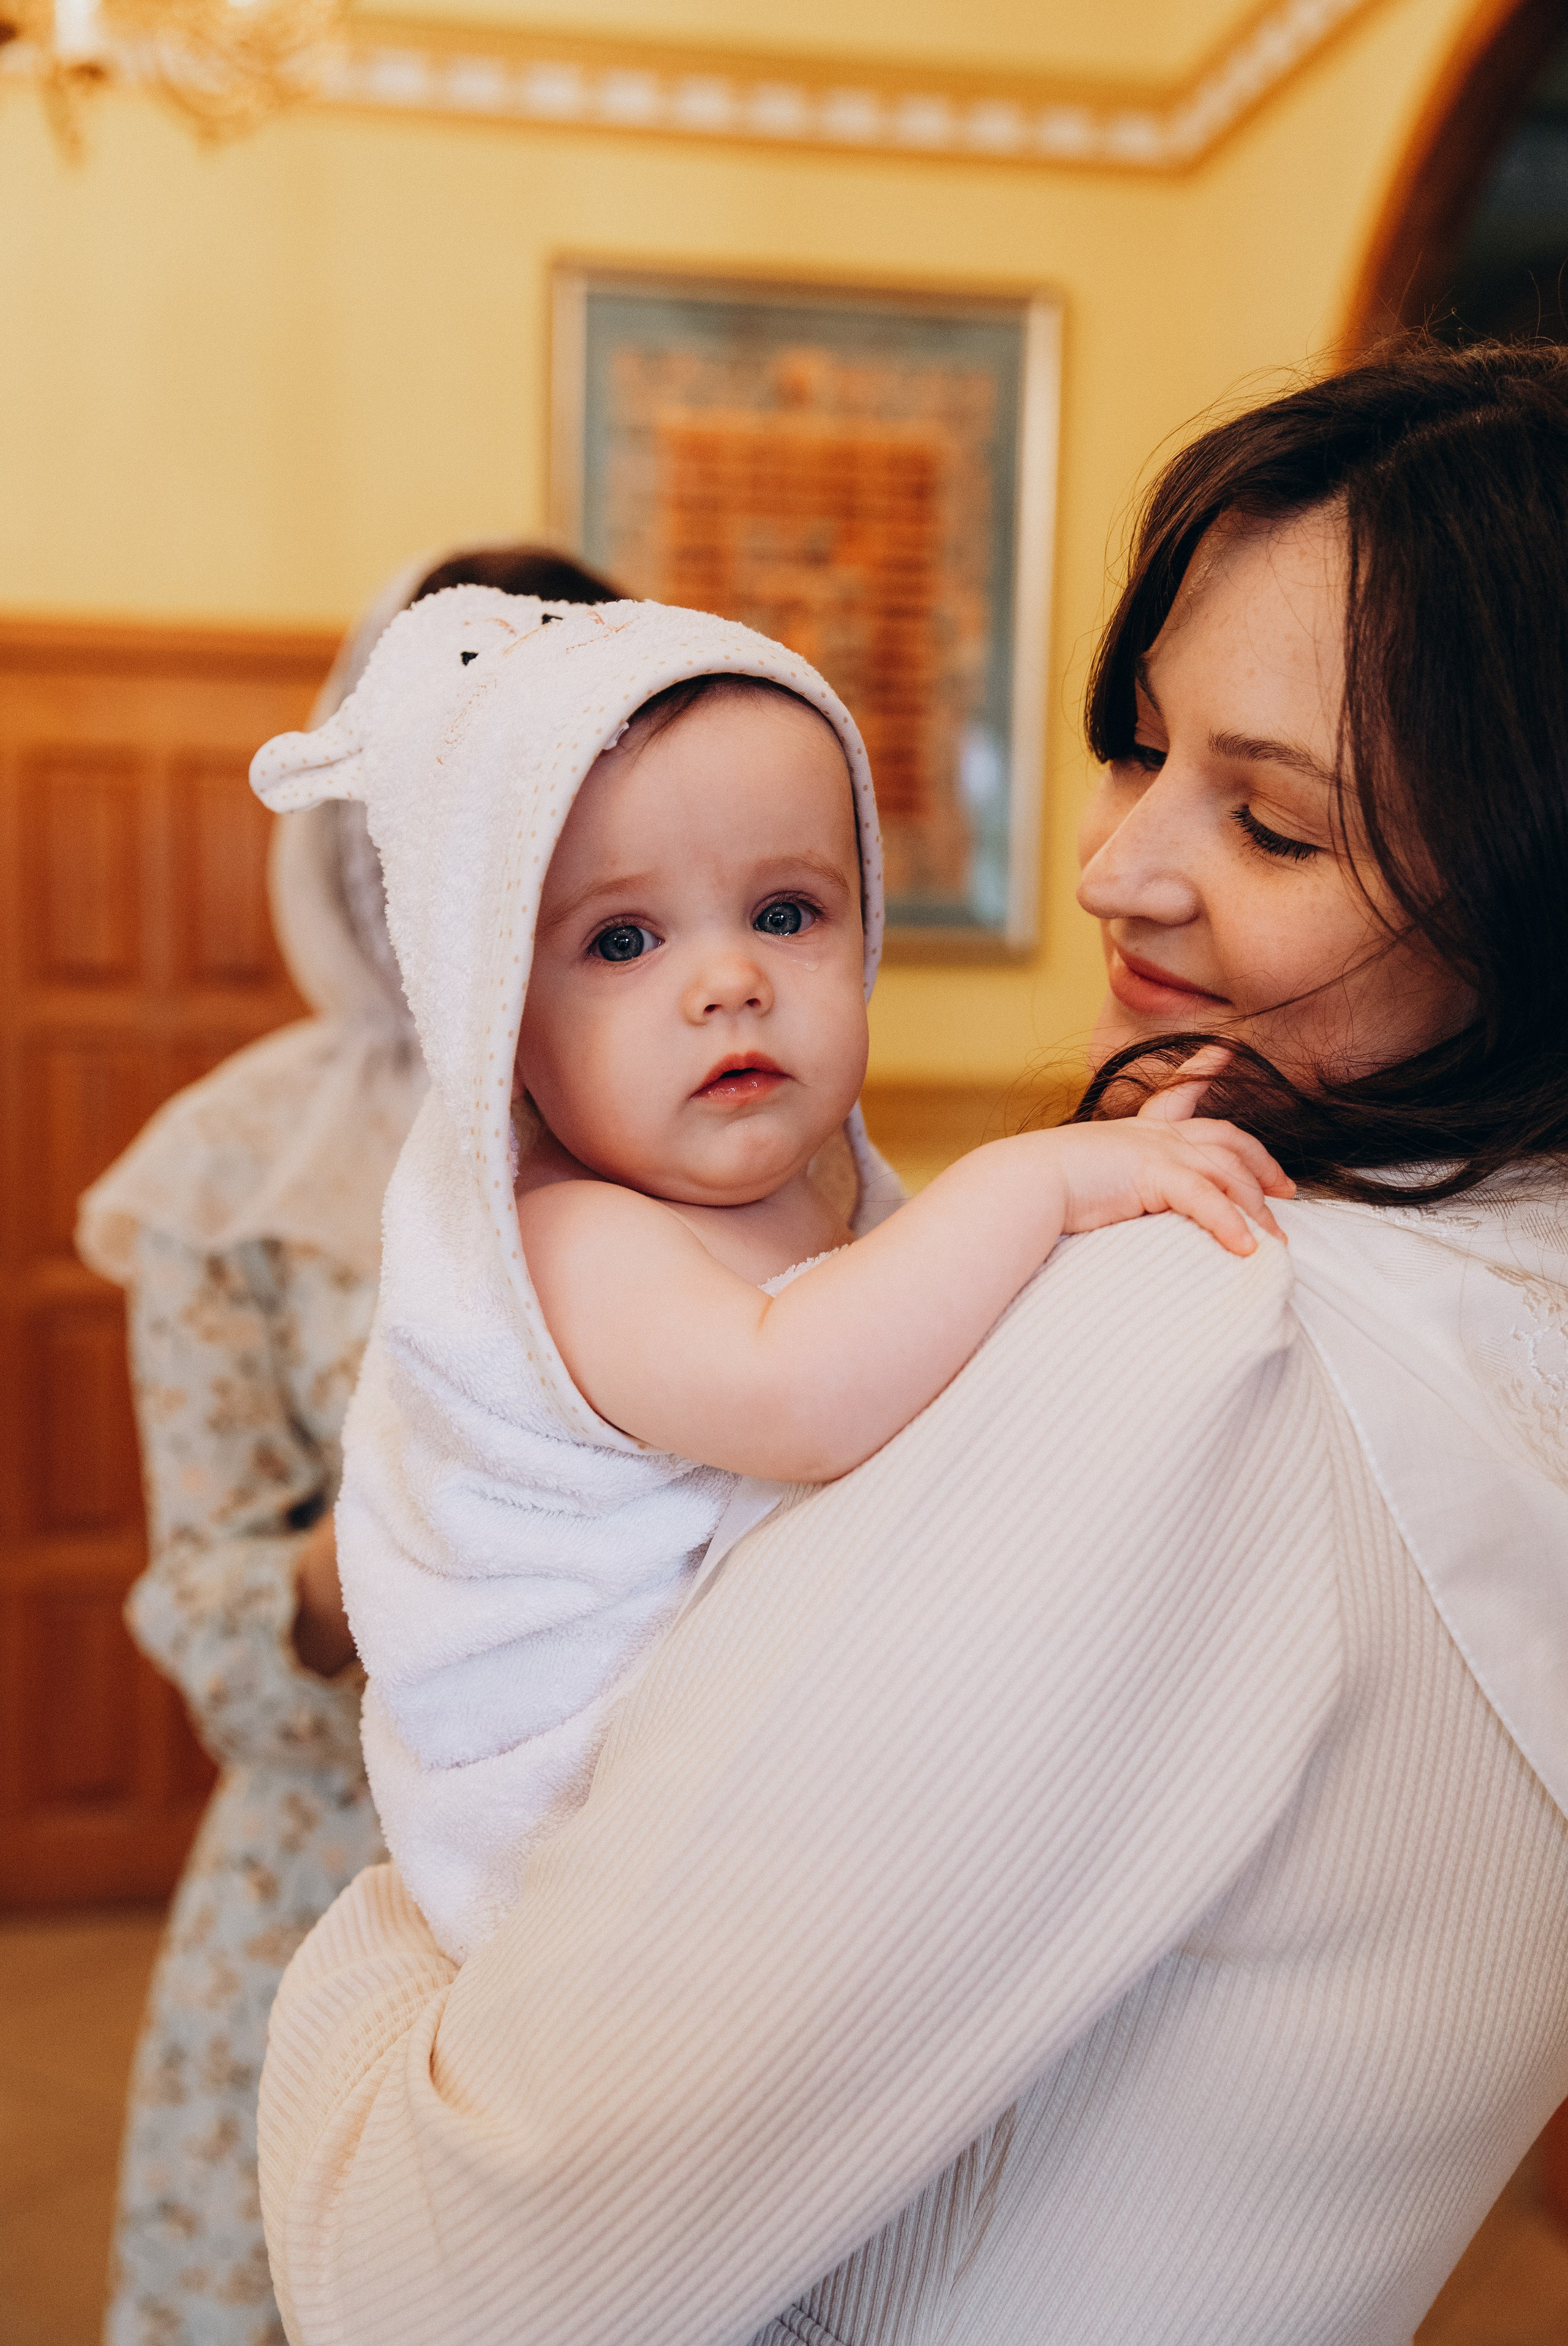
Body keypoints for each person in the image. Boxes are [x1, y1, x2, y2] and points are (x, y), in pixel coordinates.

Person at [258, 343, 1568, 2346]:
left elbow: (437, 2281)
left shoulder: (1202, 1351)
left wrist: (373, 1956)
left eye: (1273, 826)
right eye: (1137, 751)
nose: (1110, 869)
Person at [249, 595, 1287, 1962]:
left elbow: (952, 1359)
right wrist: (1037, 1182)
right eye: (623, 942)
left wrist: (1118, 1190)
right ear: (499, 1019)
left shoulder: (824, 1192)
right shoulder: (569, 1239)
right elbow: (799, 1394)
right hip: (588, 1853)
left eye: (785, 912)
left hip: (770, 1781)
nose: (727, 980)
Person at [80, 545, 617, 2346]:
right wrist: (419, 1517)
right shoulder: (230, 1172)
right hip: (330, 1888)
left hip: (649, 1879)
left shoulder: (720, 1106)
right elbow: (215, 1602)